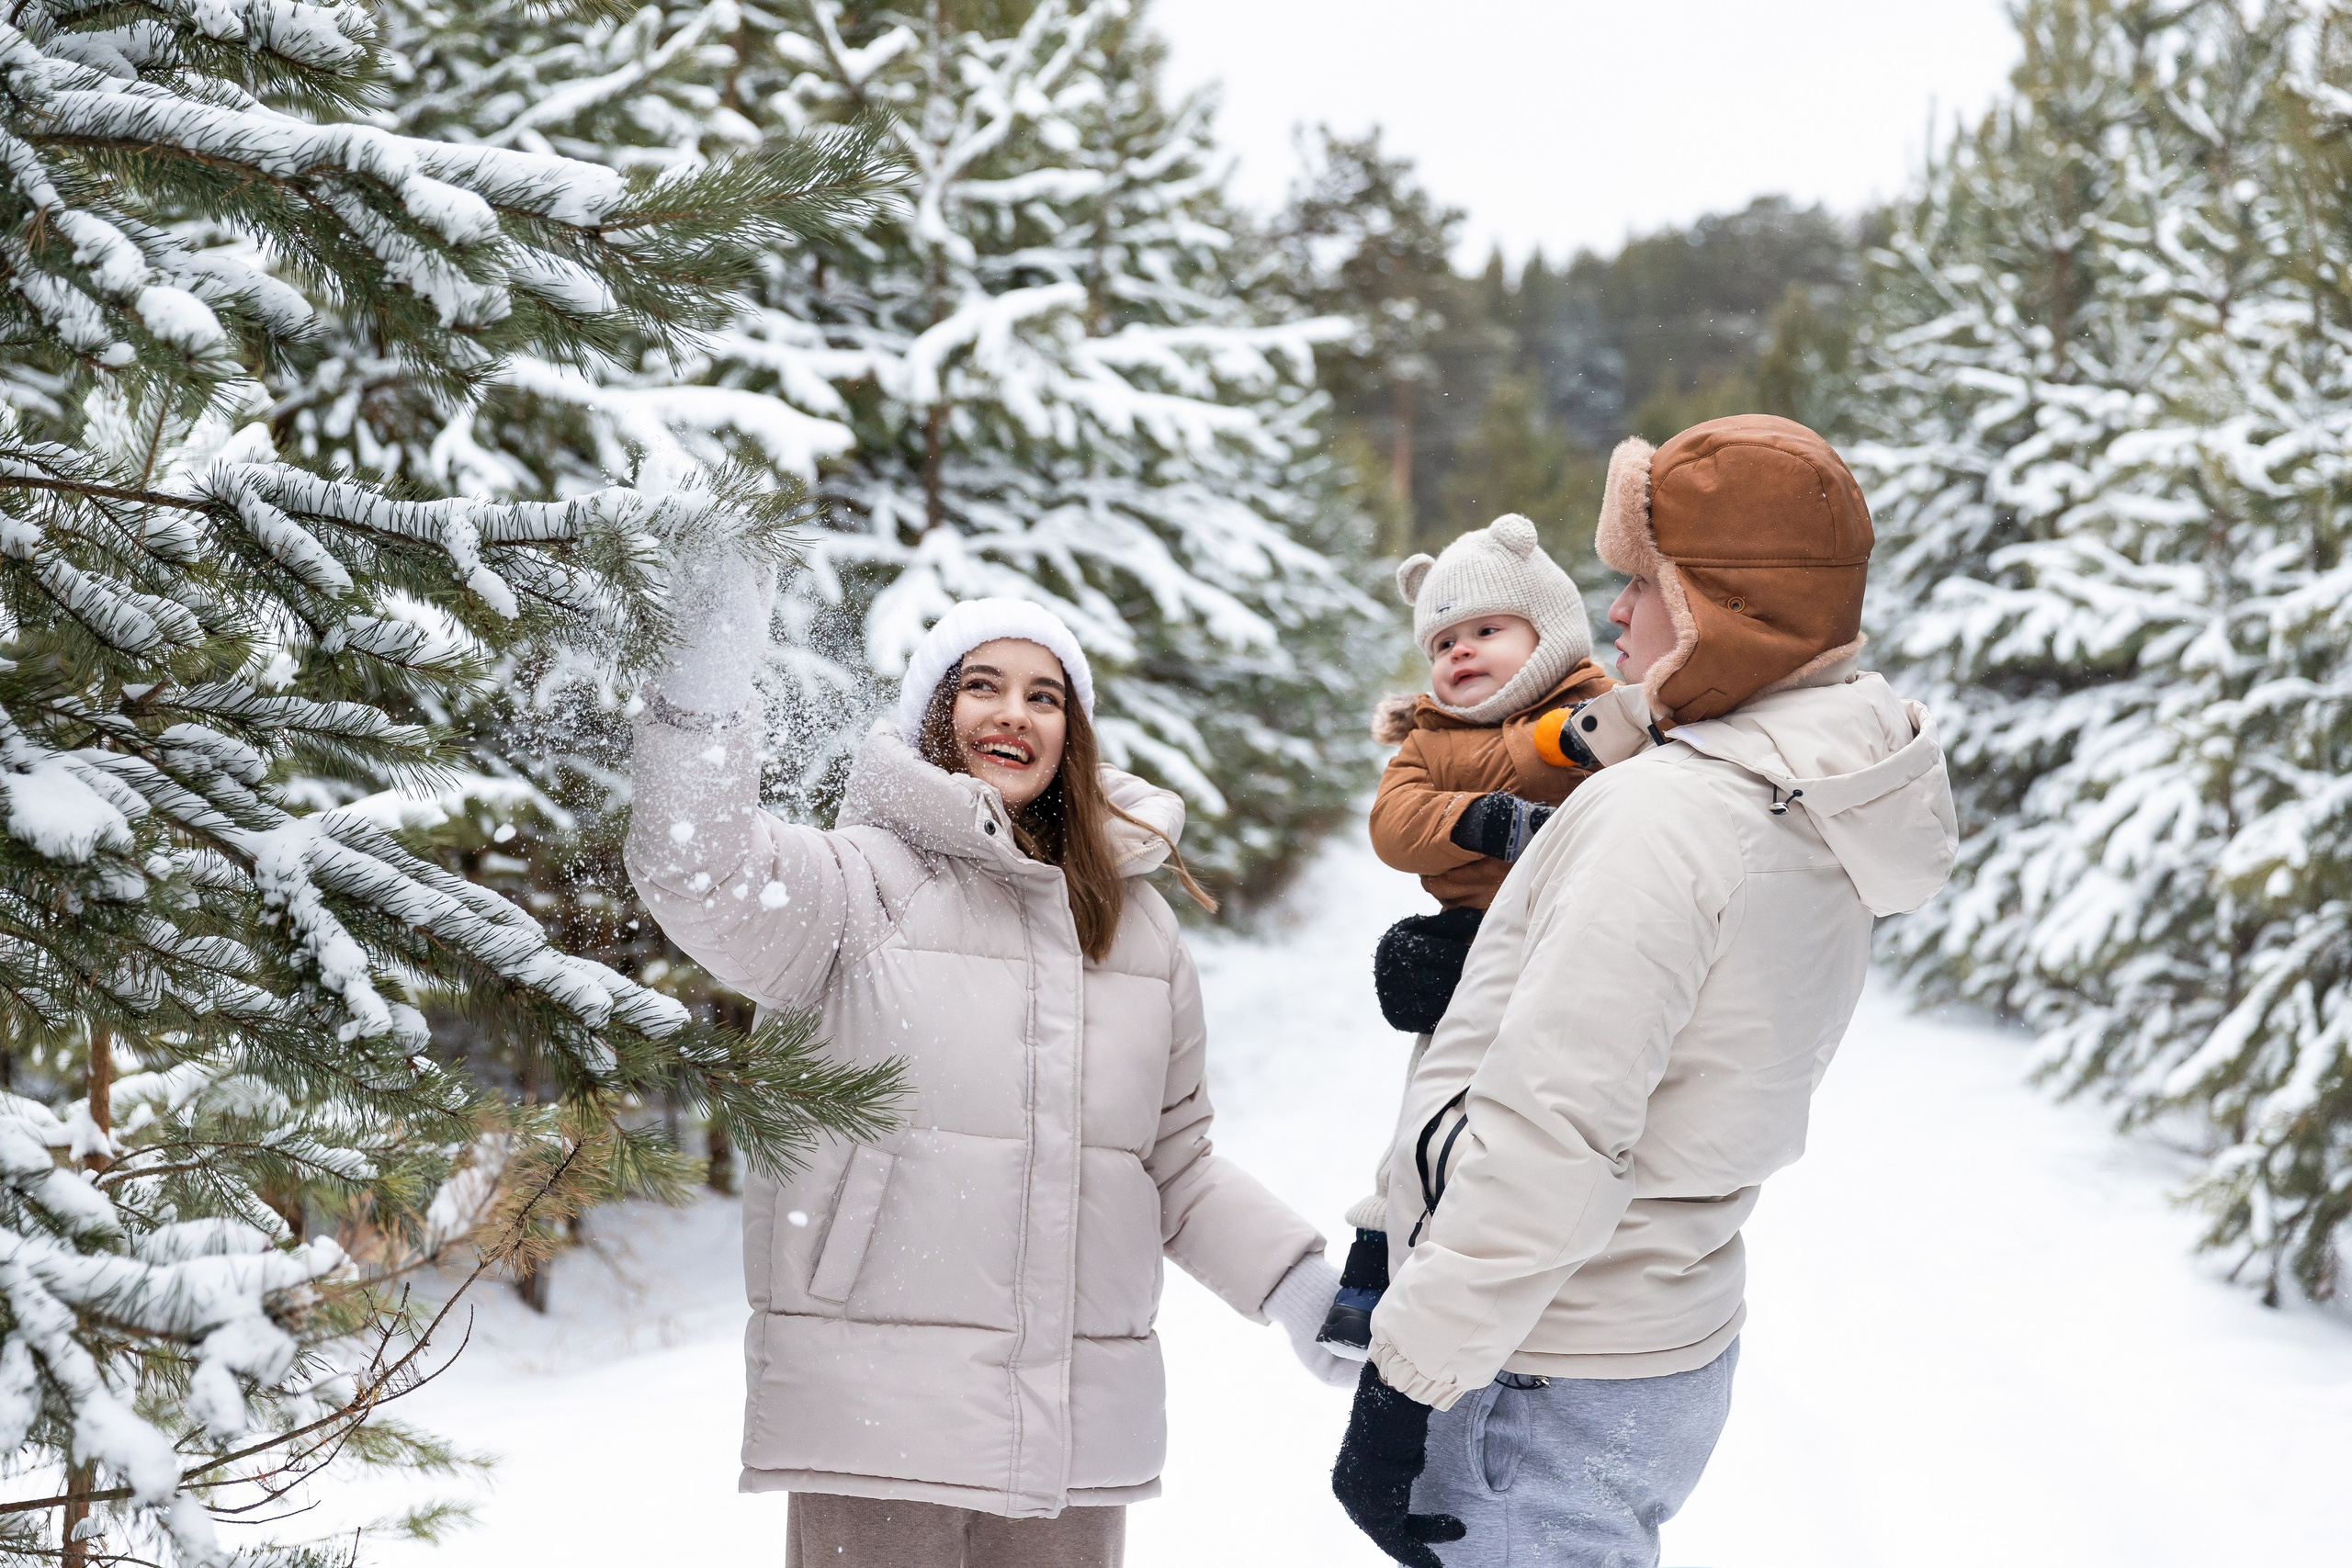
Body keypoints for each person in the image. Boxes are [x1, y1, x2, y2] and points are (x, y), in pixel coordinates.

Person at [1331, 414, 1960, 1568]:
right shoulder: (1803, 791)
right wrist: (1500, 959)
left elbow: (1553, 1135)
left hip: (1537, 1358)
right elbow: (1690, 1024)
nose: (1614, 611)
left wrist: (1405, 1387)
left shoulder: (1664, 817)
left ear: (1719, 602)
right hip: (1656, 1334)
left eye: (1641, 582)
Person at [627, 575, 1355, 1568]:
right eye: (982, 686)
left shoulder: (1134, 929)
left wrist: (1297, 1284)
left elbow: (1172, 1167)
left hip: (1069, 1438)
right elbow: (694, 869)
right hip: (878, 1427)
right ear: (937, 713)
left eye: (1044, 696)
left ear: (1072, 733)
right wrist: (703, 699)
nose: (1013, 713)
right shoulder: (852, 886)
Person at [1317, 514, 1615, 1355]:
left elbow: (1624, 764)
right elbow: (1394, 824)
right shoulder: (1427, 739)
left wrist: (1555, 742)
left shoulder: (1592, 710)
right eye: (1444, 640)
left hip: (1573, 936)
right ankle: (1375, 1259)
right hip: (1469, 941)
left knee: (1535, 1124)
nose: (1462, 652)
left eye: (1488, 630)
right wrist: (1482, 819)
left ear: (1549, 629)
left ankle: (1525, 1276)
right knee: (1429, 1104)